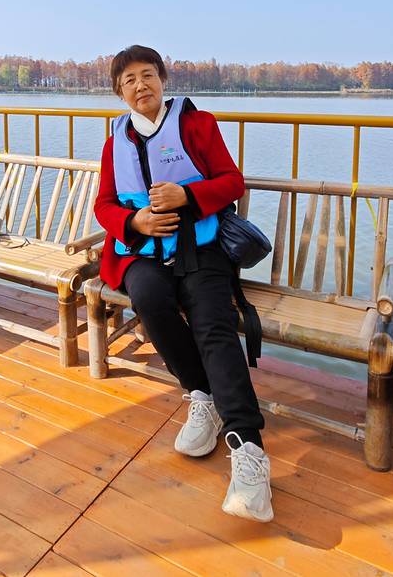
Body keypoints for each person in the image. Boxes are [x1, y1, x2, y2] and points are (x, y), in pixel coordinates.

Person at [95, 44, 273, 522]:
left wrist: (187, 195)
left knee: (213, 323)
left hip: (201, 247)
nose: (140, 85)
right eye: (129, 80)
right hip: (143, 252)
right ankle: (201, 394)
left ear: (163, 80)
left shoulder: (198, 125)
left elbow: (232, 182)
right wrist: (134, 222)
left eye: (147, 74)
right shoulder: (115, 142)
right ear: (119, 92)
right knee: (148, 299)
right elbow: (104, 205)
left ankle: (249, 450)